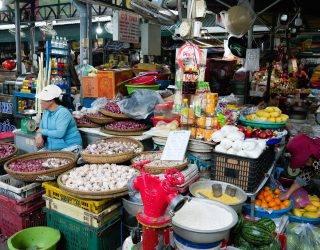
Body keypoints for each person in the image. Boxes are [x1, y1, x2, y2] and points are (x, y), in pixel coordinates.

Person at [35, 85, 83, 153]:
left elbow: (59, 134)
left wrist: (42, 131)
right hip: (54, 147)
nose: (40, 102)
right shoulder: (46, 112)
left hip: (70, 146)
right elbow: (40, 128)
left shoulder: (63, 112)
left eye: (43, 100)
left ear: (51, 100)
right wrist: (39, 136)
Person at [279, 134, 320, 200]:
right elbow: (303, 178)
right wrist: (287, 194)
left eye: (304, 159)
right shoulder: (311, 160)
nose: (303, 164)